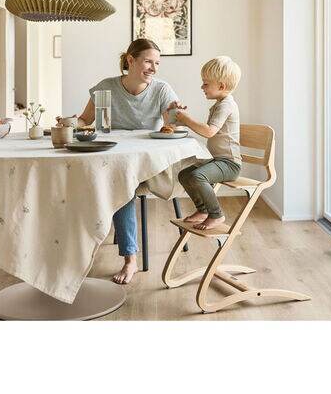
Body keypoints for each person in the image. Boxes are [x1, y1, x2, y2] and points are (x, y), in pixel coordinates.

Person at [59, 38, 182, 284]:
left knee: (121, 183)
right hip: (112, 159)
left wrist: (176, 114)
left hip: (147, 164)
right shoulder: (106, 87)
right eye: (148, 61)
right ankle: (75, 249)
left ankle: (130, 260)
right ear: (130, 60)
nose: (154, 68)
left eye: (157, 63)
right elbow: (85, 120)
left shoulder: (161, 90)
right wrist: (70, 122)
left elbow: (172, 128)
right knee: (91, 180)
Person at [174, 56, 242, 230]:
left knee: (197, 176)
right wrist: (183, 122)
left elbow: (209, 131)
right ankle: (203, 210)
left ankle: (216, 214)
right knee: (184, 175)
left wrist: (187, 120)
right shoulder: (220, 104)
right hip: (218, 161)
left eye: (205, 83)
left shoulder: (226, 105)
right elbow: (209, 129)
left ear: (221, 86)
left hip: (230, 164)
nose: (202, 87)